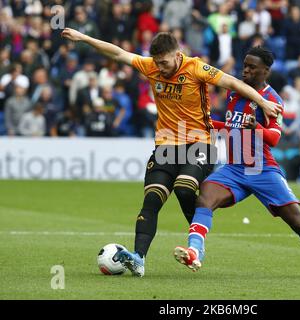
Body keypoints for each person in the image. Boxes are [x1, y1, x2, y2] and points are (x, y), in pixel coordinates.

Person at [61, 28, 281, 277]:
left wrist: (262, 102)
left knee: (185, 187)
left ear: (178, 55)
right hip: (166, 145)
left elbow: (232, 82)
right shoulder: (151, 66)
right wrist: (85, 38)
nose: (160, 68)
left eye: (164, 62)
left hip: (199, 143)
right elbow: (118, 53)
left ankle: (196, 247)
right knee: (152, 199)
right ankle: (139, 259)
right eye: (156, 62)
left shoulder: (196, 68)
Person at [173, 46, 300, 279]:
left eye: (251, 67)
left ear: (265, 71)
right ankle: (195, 251)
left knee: (296, 221)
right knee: (205, 195)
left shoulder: (272, 99)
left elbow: (275, 138)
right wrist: (209, 125)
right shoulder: (233, 92)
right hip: (235, 169)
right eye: (244, 65)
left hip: (262, 169)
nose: (245, 70)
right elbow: (232, 127)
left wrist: (257, 128)